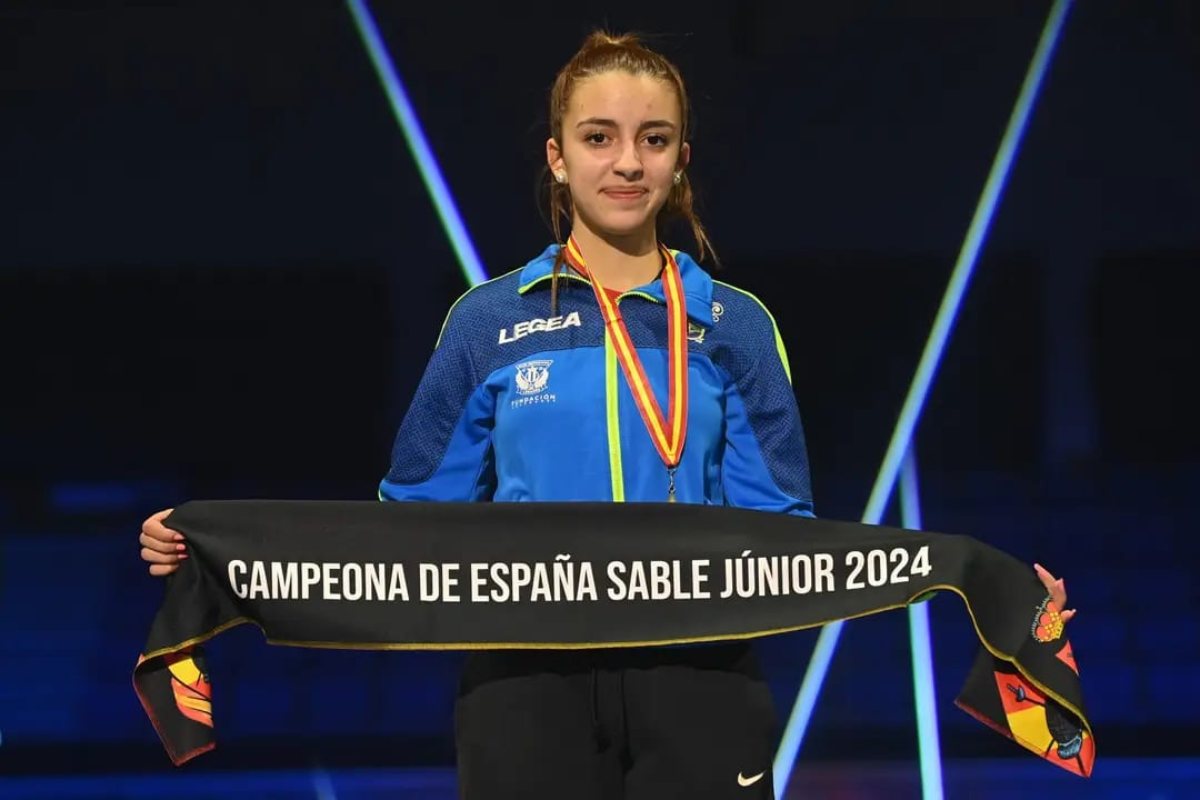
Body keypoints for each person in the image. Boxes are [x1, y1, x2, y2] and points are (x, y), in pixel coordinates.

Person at [139, 30, 1076, 800]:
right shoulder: (487, 323)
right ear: (557, 157)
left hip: (701, 680)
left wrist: (985, 583)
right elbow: (410, 528)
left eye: (654, 138)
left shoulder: (736, 327)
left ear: (680, 160)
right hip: (523, 683)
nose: (627, 162)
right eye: (598, 137)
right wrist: (219, 549)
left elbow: (785, 534)